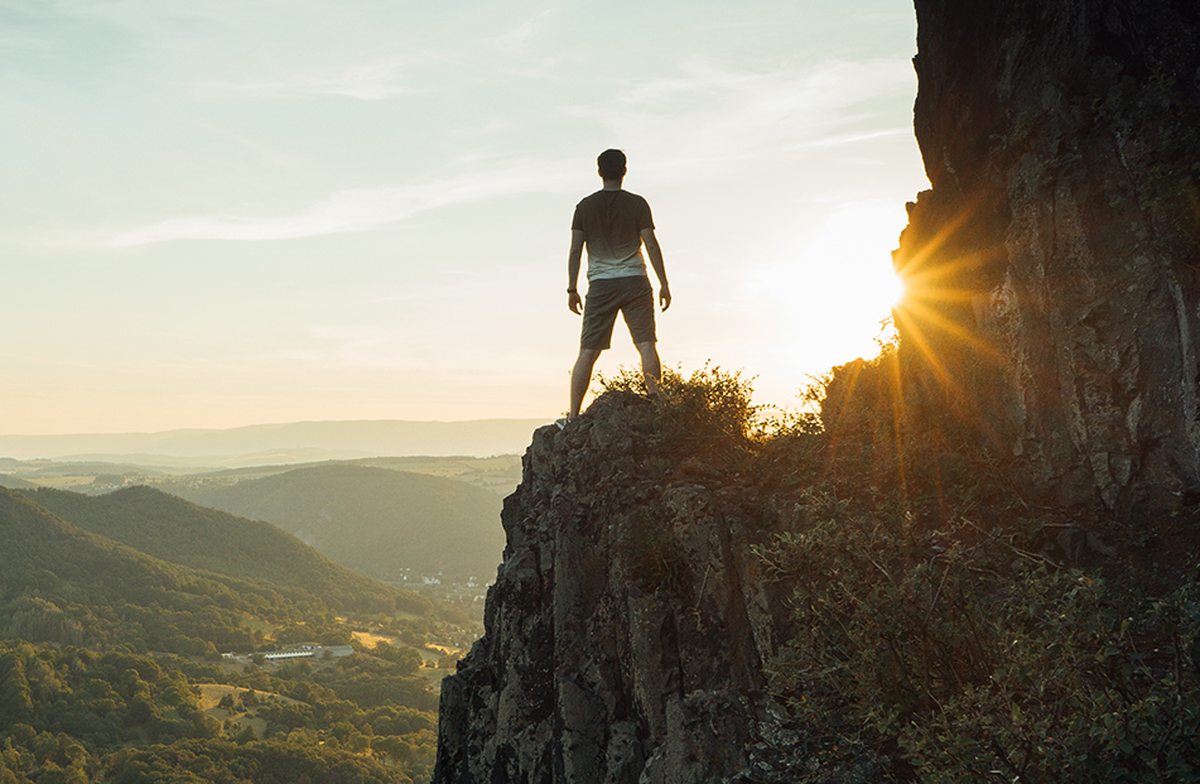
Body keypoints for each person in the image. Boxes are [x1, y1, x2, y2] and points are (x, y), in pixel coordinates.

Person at [564, 148, 671, 421]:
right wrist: (664, 283)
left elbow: (575, 250)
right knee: (646, 344)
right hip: (636, 281)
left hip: (600, 285)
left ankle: (574, 416)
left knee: (587, 351)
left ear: (599, 172)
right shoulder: (637, 204)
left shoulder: (584, 207)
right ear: (624, 170)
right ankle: (658, 409)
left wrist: (572, 288)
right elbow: (650, 244)